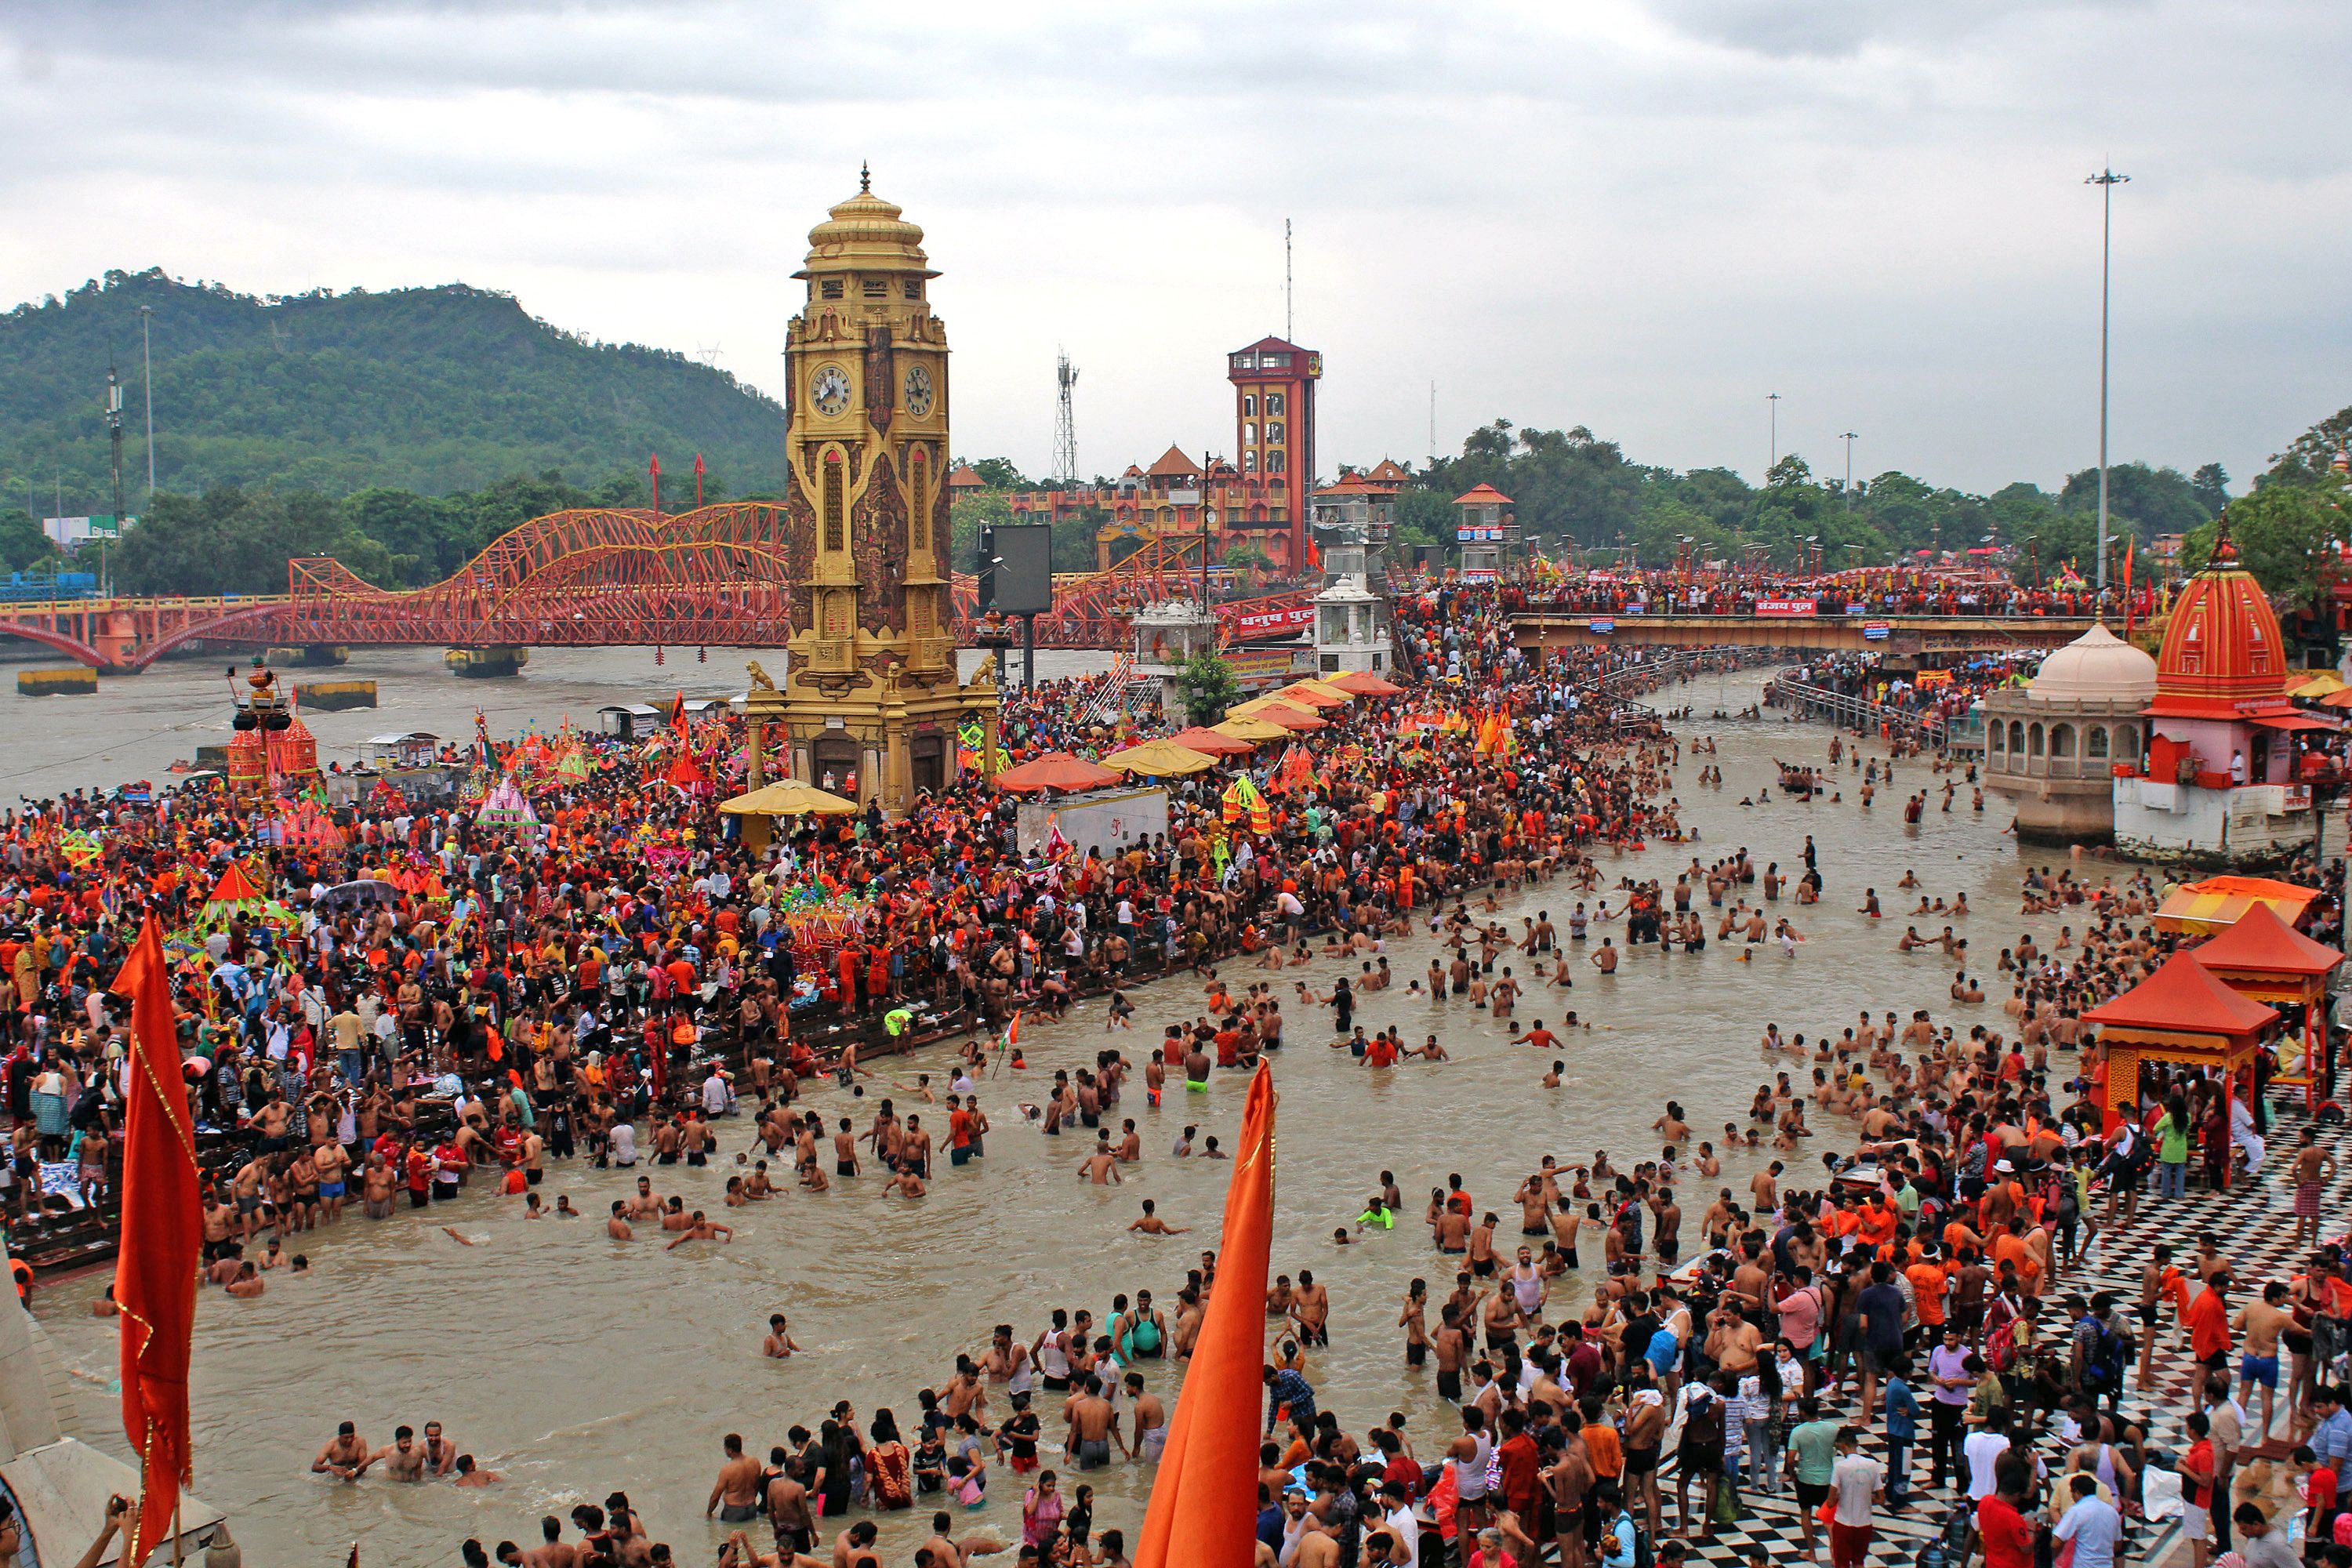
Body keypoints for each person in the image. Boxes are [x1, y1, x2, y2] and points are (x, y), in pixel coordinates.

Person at [1827, 1426, 1882, 1568]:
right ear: (1856, 1443)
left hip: (1843, 1523)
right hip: (1865, 1523)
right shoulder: (1873, 1465)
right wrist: (1867, 1497)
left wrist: (1841, 1495)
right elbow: (1881, 1499)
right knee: (1859, 1562)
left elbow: (1830, 1502)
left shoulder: (1840, 1467)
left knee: (1841, 1564)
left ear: (1841, 1445)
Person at [2051, 1472, 2121, 1568]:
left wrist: (2054, 1559)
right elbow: (2117, 1545)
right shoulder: (2112, 1512)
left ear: (2077, 1492)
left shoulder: (2076, 1511)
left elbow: (2056, 1542)